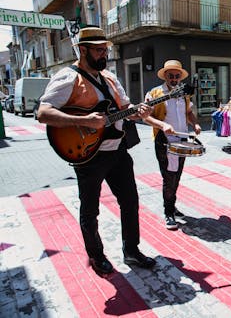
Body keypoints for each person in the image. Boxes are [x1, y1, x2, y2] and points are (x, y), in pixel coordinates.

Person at [37, 27, 156, 276]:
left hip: (118, 152)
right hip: (88, 155)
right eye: (99, 50)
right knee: (90, 209)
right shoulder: (68, 78)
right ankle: (96, 255)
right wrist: (85, 121)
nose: (104, 54)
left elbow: (126, 108)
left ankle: (131, 251)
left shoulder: (111, 78)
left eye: (105, 50)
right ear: (83, 50)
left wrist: (139, 111)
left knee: (130, 202)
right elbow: (43, 113)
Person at [143, 60, 201, 230]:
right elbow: (145, 117)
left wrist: (195, 124)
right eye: (171, 76)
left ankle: (172, 205)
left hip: (182, 141)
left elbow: (189, 112)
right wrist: (163, 126)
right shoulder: (156, 93)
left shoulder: (184, 93)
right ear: (166, 76)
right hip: (164, 141)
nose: (174, 79)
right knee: (169, 177)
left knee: (176, 176)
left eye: (177, 76)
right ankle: (168, 213)